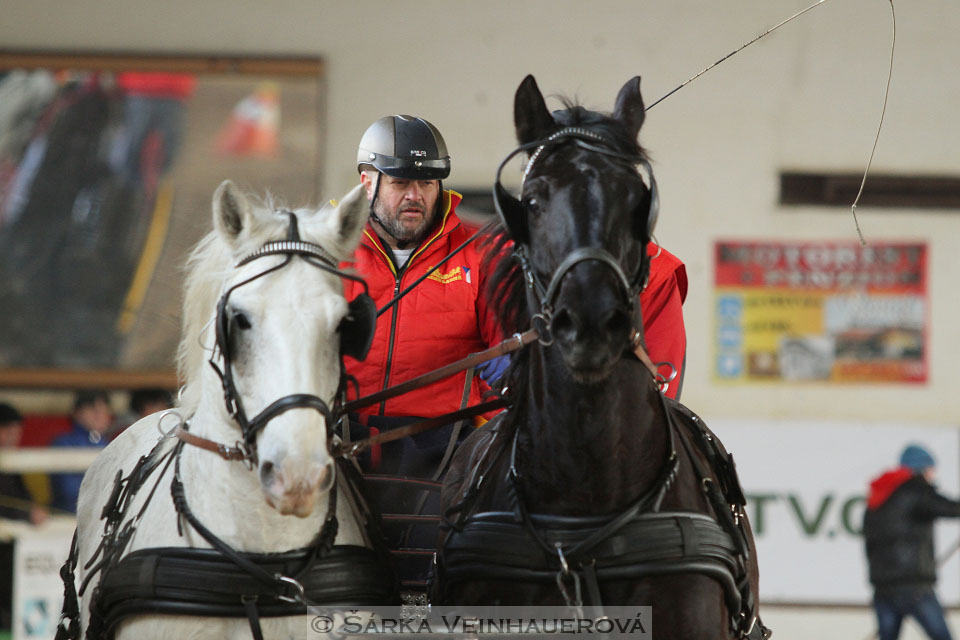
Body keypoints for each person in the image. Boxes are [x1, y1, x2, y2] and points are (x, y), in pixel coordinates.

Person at [340, 115, 688, 587]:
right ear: (367, 182)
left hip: (439, 450)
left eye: (426, 182)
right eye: (400, 182)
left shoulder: (480, 253)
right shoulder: (329, 254)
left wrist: (521, 381)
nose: (414, 196)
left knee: (435, 590)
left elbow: (502, 349)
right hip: (340, 442)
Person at [863, 444, 960, 640]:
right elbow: (948, 507)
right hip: (913, 585)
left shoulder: (879, 496)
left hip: (882, 586)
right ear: (922, 468)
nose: (933, 475)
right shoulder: (915, 490)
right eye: (931, 469)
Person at [0, 402, 47, 632]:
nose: (13, 436)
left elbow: (22, 497)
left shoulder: (12, 462)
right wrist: (26, 513)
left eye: (16, 430)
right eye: (7, 430)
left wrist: (31, 509)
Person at [49, 390, 112, 514]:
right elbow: (68, 490)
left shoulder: (110, 444)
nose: (100, 415)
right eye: (93, 409)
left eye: (104, 410)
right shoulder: (63, 443)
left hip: (102, 518)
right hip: (67, 516)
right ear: (77, 413)